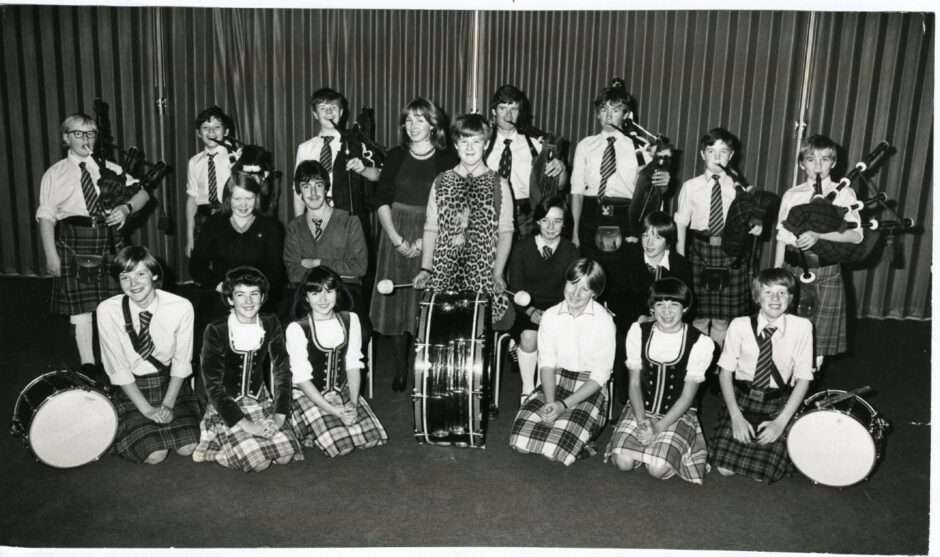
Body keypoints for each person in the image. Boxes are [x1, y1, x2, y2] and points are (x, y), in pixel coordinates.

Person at [36, 113, 149, 382]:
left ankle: (120, 357)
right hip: (74, 241)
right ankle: (88, 363)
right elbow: (46, 217)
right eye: (78, 133)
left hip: (109, 240)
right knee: (81, 307)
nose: (85, 139)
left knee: (114, 302)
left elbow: (143, 193)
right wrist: (52, 255)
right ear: (65, 138)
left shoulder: (110, 168)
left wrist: (125, 208)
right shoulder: (54, 174)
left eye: (91, 134)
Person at [370, 97, 456, 391]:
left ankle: (427, 368)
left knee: (429, 303)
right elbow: (381, 199)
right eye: (408, 120)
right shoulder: (395, 156)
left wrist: (425, 241)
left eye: (420, 120)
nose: (413, 126)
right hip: (395, 233)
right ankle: (400, 367)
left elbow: (454, 206)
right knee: (397, 303)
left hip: (435, 233)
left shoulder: (448, 158)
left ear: (433, 125)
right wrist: (395, 239)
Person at [96, 246, 201, 464]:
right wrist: (147, 410)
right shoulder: (107, 310)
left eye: (140, 274)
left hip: (169, 384)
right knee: (155, 455)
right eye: (125, 277)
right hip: (133, 389)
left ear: (154, 275)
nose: (133, 284)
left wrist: (168, 405)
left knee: (189, 446)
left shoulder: (181, 307)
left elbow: (182, 362)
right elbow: (118, 368)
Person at [709, 268, 814, 483]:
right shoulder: (739, 325)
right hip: (743, 401)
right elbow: (725, 373)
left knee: (765, 473)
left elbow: (804, 378)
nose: (775, 299)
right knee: (723, 468)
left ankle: (778, 440)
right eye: (768, 292)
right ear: (757, 297)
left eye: (782, 292)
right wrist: (736, 417)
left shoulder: (802, 327)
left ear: (791, 297)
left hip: (777, 403)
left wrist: (781, 422)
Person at [193, 266, 302, 472]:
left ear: (262, 298)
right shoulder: (217, 330)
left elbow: (281, 371)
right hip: (226, 404)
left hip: (259, 400)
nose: (248, 301)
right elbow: (213, 387)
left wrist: (279, 415)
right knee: (260, 463)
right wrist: (248, 426)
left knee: (286, 456)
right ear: (230, 299)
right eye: (240, 295)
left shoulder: (270, 323)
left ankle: (241, 445)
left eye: (254, 294)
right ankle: (216, 446)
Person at [604, 278, 713, 484]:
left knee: (657, 469)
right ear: (652, 308)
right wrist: (641, 420)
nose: (667, 311)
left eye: (674, 305)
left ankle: (665, 451)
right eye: (660, 304)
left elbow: (688, 397)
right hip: (641, 408)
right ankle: (645, 449)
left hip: (677, 412)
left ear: (686, 308)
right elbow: (634, 384)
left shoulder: (700, 343)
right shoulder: (638, 332)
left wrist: (659, 427)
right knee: (623, 463)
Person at [508, 258, 615, 466]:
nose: (575, 293)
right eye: (573, 284)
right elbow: (546, 364)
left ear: (594, 293)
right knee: (519, 442)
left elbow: (600, 376)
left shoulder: (604, 321)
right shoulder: (550, 315)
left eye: (584, 289)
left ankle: (582, 438)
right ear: (565, 282)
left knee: (555, 451)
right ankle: (573, 435)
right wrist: (550, 402)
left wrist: (563, 405)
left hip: (588, 388)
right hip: (555, 382)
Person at [413, 113, 514, 322]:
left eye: (476, 142)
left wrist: (498, 274)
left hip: (482, 277)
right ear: (456, 145)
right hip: (443, 275)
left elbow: (506, 231)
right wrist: (425, 269)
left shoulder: (500, 184)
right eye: (464, 141)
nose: (469, 148)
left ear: (486, 145)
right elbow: (431, 228)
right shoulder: (441, 182)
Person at [774, 134, 862, 369]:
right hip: (791, 270)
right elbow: (782, 237)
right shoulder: (792, 195)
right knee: (787, 336)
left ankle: (804, 394)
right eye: (811, 159)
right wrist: (776, 274)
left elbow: (855, 235)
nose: (818, 165)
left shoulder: (844, 193)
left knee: (816, 346)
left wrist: (819, 235)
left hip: (826, 272)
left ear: (833, 163)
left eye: (825, 159)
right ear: (802, 164)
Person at [286, 266, 387, 457]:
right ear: (306, 297)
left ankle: (318, 429)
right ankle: (306, 426)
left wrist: (353, 404)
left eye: (329, 291)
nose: (323, 299)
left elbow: (353, 363)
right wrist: (333, 410)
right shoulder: (297, 328)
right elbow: (302, 379)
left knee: (371, 439)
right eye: (315, 293)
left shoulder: (351, 320)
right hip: (308, 393)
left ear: (337, 293)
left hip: (341, 390)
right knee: (344, 447)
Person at [675, 127, 762, 347]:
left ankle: (715, 366)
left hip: (730, 253)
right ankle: (697, 364)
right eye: (711, 151)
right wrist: (680, 258)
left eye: (723, 151)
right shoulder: (691, 187)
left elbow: (753, 218)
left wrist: (757, 225)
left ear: (731, 156)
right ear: (702, 154)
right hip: (699, 253)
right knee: (699, 316)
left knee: (723, 320)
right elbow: (681, 223)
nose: (717, 156)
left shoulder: (740, 188)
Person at [570, 81, 668, 259]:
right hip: (590, 215)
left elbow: (655, 191)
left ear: (625, 115)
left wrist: (664, 175)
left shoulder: (642, 147)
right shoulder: (585, 145)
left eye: (615, 110)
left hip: (627, 217)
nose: (608, 116)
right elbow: (576, 192)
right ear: (598, 114)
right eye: (603, 110)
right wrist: (575, 231)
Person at [608, 211, 695, 403]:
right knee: (623, 342)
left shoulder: (680, 265)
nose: (649, 243)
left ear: (668, 240)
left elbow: (688, 304)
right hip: (634, 324)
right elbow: (615, 299)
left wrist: (666, 322)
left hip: (671, 326)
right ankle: (626, 403)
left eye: (657, 237)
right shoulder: (627, 258)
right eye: (645, 235)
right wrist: (640, 319)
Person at [189, 162, 285, 323]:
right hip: (222, 297)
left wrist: (254, 293)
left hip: (259, 299)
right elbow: (196, 266)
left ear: (257, 198)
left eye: (249, 198)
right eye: (238, 198)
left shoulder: (270, 226)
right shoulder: (214, 224)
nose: (243, 204)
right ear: (228, 198)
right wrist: (222, 287)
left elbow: (275, 270)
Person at [506, 195, 580, 400]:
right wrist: (530, 311)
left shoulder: (571, 251)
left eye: (557, 221)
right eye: (545, 220)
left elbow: (573, 290)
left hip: (558, 310)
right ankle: (528, 390)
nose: (550, 226)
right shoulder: (522, 247)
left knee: (555, 339)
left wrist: (556, 313)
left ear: (564, 223)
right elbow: (516, 287)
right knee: (529, 336)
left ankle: (543, 390)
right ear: (537, 221)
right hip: (525, 307)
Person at [284, 160, 369, 333]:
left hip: (345, 290)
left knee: (358, 332)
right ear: (299, 191)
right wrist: (338, 266)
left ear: (326, 187)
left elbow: (359, 267)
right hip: (307, 294)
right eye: (306, 186)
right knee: (290, 330)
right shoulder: (295, 226)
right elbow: (294, 272)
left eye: (319, 185)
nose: (313, 193)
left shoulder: (349, 221)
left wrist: (317, 263)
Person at [484, 84, 567, 236]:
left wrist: (560, 167)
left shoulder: (536, 144)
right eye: (503, 108)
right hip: (490, 212)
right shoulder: (483, 144)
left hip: (526, 215)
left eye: (514, 109)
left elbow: (560, 186)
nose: (508, 116)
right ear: (493, 111)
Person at [293, 87, 380, 219]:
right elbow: (298, 190)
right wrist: (299, 224)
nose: (328, 112)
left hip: (348, 214)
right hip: (315, 213)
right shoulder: (304, 148)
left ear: (341, 112)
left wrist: (363, 169)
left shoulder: (355, 141)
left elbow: (378, 175)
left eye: (333, 107)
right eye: (322, 108)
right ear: (315, 114)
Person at [184, 106, 234, 256]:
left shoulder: (235, 158)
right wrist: (189, 237)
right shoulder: (194, 162)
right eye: (205, 127)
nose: (211, 132)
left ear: (226, 132)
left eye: (216, 127)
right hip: (204, 218)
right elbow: (192, 199)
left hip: (230, 215)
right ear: (199, 133)